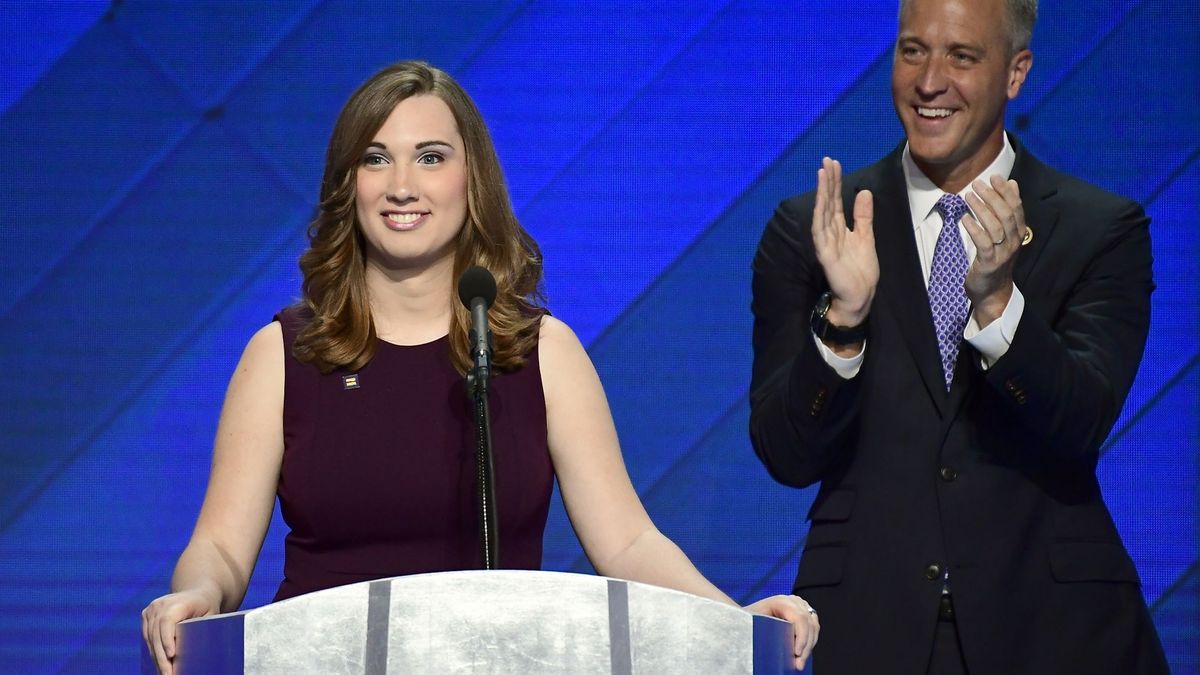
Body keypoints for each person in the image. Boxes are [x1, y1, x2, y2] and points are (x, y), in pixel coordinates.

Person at [141, 61, 819, 674]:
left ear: (472, 179)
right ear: (349, 185)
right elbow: (221, 545)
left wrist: (734, 620)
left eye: (430, 157)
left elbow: (629, 540)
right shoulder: (285, 354)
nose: (402, 185)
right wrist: (197, 592)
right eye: (376, 160)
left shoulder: (540, 350)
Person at [749, 0, 1169, 673]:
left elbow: (1081, 419)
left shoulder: (1100, 229)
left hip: (1054, 630)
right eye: (913, 50)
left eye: (962, 56)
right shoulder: (815, 229)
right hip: (871, 624)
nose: (929, 80)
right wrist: (844, 323)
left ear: (1016, 72)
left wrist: (1000, 303)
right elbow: (785, 452)